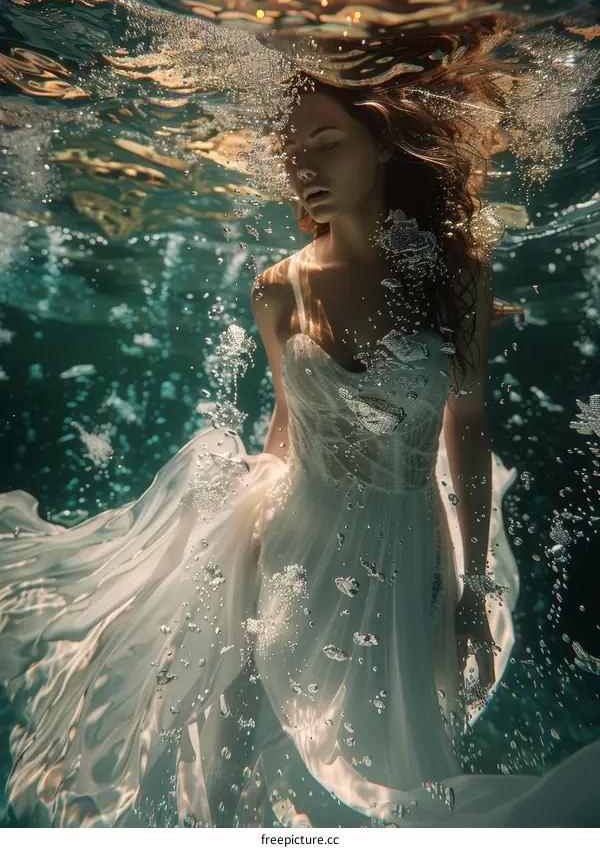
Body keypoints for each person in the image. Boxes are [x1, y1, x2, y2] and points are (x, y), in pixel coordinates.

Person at [1, 70, 600, 830]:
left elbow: (468, 429)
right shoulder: (276, 288)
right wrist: (221, 540)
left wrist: (476, 585)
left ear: (381, 147)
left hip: (408, 556)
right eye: (292, 151)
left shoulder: (456, 275)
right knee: (250, 759)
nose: (305, 168)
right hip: (285, 544)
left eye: (326, 142)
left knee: (391, 782)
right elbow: (287, 429)